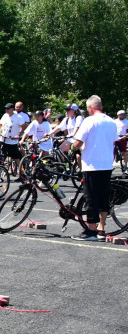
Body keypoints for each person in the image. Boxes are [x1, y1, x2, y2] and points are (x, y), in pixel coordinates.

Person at [70, 95, 117, 240]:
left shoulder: (89, 121)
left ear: (90, 108)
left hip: (91, 165)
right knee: (103, 197)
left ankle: (91, 231)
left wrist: (72, 148)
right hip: (107, 164)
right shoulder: (111, 121)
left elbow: (77, 143)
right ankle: (101, 228)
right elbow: (113, 142)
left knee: (91, 198)